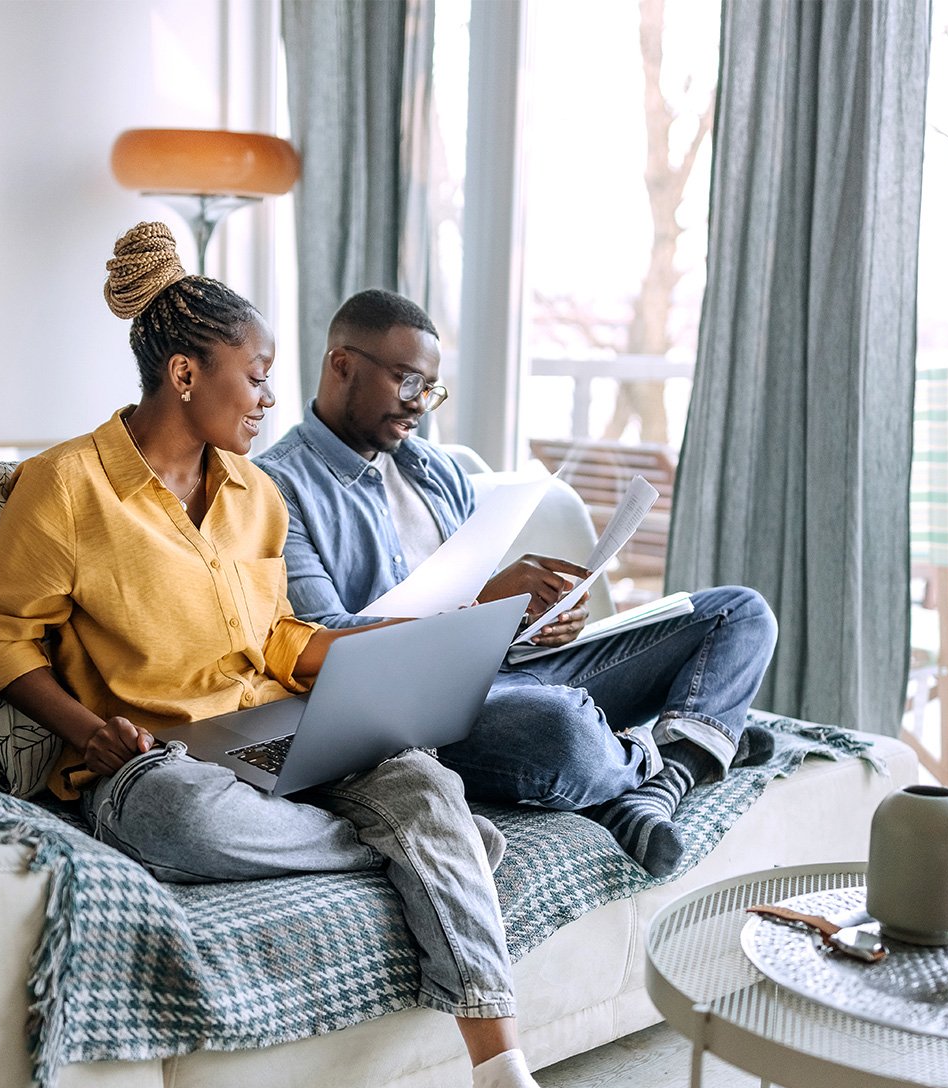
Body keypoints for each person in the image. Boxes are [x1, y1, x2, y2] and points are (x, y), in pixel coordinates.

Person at [0, 223, 624, 1088]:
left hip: (278, 723)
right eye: (258, 376)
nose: (272, 398)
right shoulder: (65, 486)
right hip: (155, 761)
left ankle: (501, 1078)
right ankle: (428, 851)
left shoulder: (253, 495)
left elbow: (276, 638)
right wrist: (89, 730)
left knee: (424, 781)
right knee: (188, 822)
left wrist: (385, 655)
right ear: (184, 375)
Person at [256, 289, 779, 878]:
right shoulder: (276, 489)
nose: (420, 405)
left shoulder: (437, 470)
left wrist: (535, 619)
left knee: (739, 612)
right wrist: (482, 604)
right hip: (416, 712)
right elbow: (321, 644)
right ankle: (692, 748)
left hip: (509, 671)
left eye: (432, 389)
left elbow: (479, 602)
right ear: (342, 364)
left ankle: (659, 777)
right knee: (562, 728)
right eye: (408, 382)